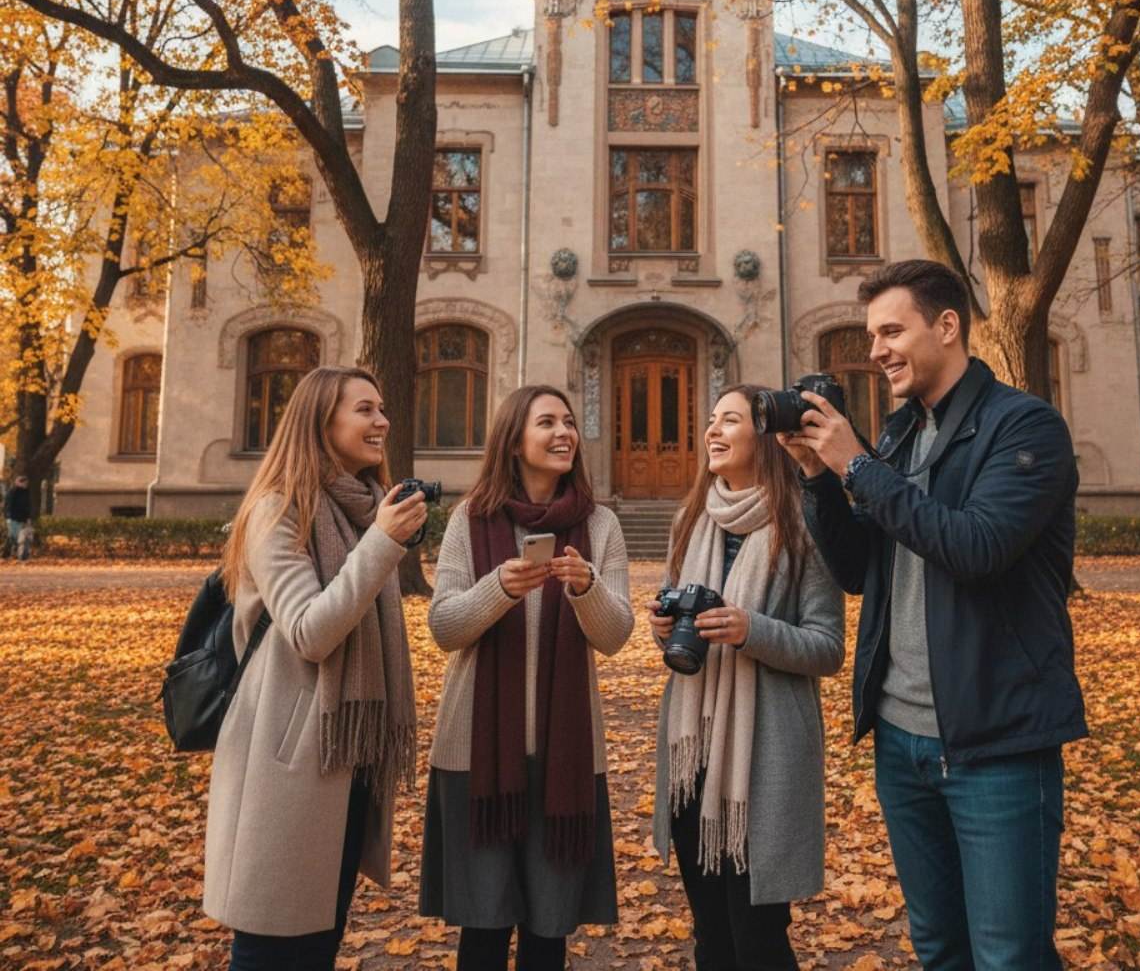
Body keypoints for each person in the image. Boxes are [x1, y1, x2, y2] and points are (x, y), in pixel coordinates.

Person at [779, 259, 1086, 971]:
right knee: (939, 946)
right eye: (870, 334)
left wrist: (858, 468)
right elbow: (861, 572)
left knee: (1009, 956)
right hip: (902, 741)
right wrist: (819, 478)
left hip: (997, 739)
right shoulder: (897, 435)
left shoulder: (1025, 426)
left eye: (892, 330)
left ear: (948, 326)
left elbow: (976, 547)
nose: (876, 349)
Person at [203, 366, 428, 971]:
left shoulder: (358, 508)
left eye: (381, 408)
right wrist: (381, 544)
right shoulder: (277, 511)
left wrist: (379, 536)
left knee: (318, 944)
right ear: (320, 421)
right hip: (287, 753)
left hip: (343, 753)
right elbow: (310, 632)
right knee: (272, 942)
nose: (381, 420)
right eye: (364, 409)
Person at [421, 385, 634, 971]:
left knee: (548, 932)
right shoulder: (471, 519)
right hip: (476, 759)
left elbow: (616, 637)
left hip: (566, 760)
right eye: (547, 422)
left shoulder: (601, 525)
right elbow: (444, 627)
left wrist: (586, 588)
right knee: (484, 930)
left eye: (569, 421)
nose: (564, 432)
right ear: (515, 440)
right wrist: (499, 590)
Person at [650, 384, 845, 971]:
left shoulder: (804, 521)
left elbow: (828, 647)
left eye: (728, 420)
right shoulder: (691, 518)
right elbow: (671, 608)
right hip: (693, 754)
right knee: (710, 932)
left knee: (757, 938)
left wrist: (749, 630)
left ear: (764, 434)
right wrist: (663, 627)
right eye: (709, 420)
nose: (711, 430)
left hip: (765, 755)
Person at [4, 474, 31, 559]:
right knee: (12, 536)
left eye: (26, 483)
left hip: (21, 518)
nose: (25, 485)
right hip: (12, 517)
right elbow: (8, 504)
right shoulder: (13, 491)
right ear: (18, 482)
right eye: (24, 483)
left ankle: (14, 553)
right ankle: (7, 553)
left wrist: (28, 518)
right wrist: (8, 516)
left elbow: (27, 506)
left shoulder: (26, 492)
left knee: (18, 537)